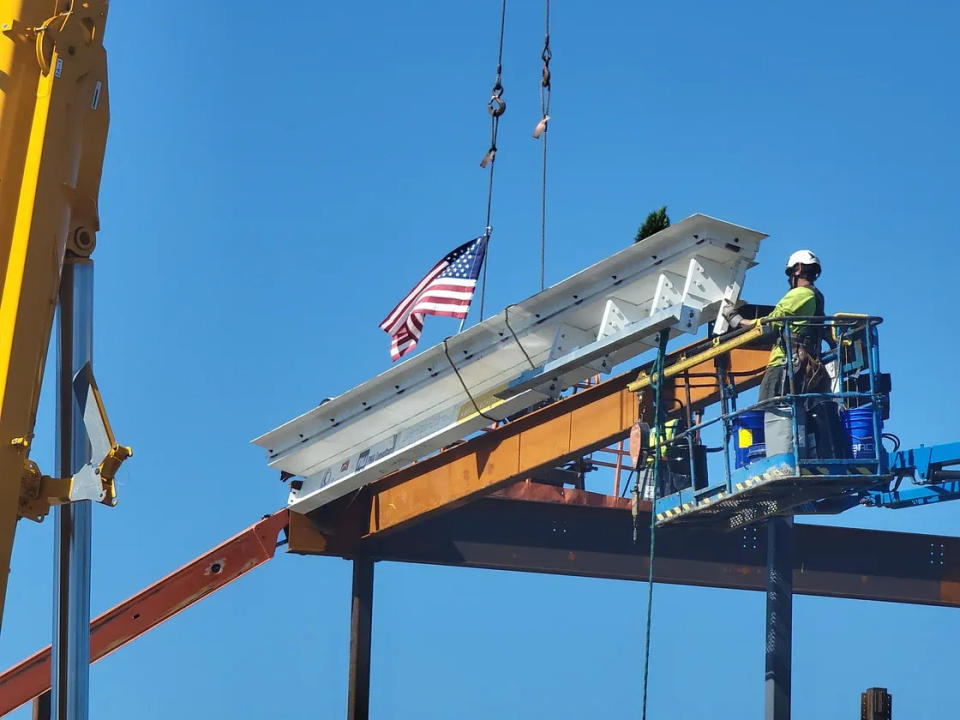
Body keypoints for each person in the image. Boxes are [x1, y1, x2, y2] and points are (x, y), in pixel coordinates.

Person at [725, 250, 834, 458]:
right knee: (794, 411)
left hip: (786, 365)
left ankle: (779, 457)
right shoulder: (816, 297)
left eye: (790, 273)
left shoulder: (801, 294)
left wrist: (737, 320)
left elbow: (771, 323)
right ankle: (794, 454)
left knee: (774, 407)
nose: (789, 279)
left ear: (798, 269)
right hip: (800, 364)